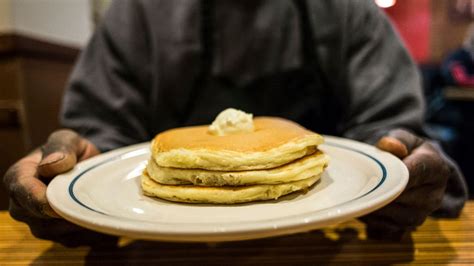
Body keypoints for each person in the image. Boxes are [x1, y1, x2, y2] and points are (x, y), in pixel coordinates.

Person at [3, 0, 468, 247]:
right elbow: (104, 143)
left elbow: (389, 137)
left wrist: (409, 170)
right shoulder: (138, 13)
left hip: (326, 247)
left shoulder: (347, 10)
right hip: (161, 251)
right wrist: (74, 183)